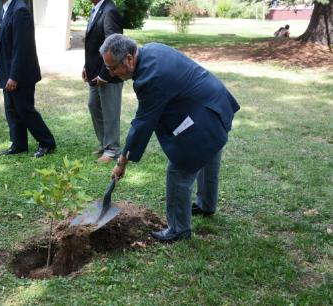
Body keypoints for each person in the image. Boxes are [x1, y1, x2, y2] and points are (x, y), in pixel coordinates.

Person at [101, 34, 240, 243]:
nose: (111, 73)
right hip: (215, 104)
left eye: (113, 68)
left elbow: (142, 124)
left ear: (129, 59)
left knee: (178, 171)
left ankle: (178, 229)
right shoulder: (152, 49)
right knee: (209, 154)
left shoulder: (150, 78)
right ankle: (206, 205)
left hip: (204, 114)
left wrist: (122, 162)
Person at [0, 0, 56, 157]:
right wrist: (2, 70)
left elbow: (22, 47)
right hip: (9, 71)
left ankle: (47, 142)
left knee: (25, 110)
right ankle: (19, 144)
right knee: (12, 110)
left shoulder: (19, 10)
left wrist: (14, 76)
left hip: (21, 74)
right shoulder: (8, 9)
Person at [83, 0, 124, 163]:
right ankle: (104, 144)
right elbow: (93, 45)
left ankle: (112, 150)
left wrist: (104, 75)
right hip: (95, 72)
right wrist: (86, 66)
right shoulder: (96, 9)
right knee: (94, 105)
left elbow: (113, 46)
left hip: (109, 74)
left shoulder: (110, 11)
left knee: (110, 112)